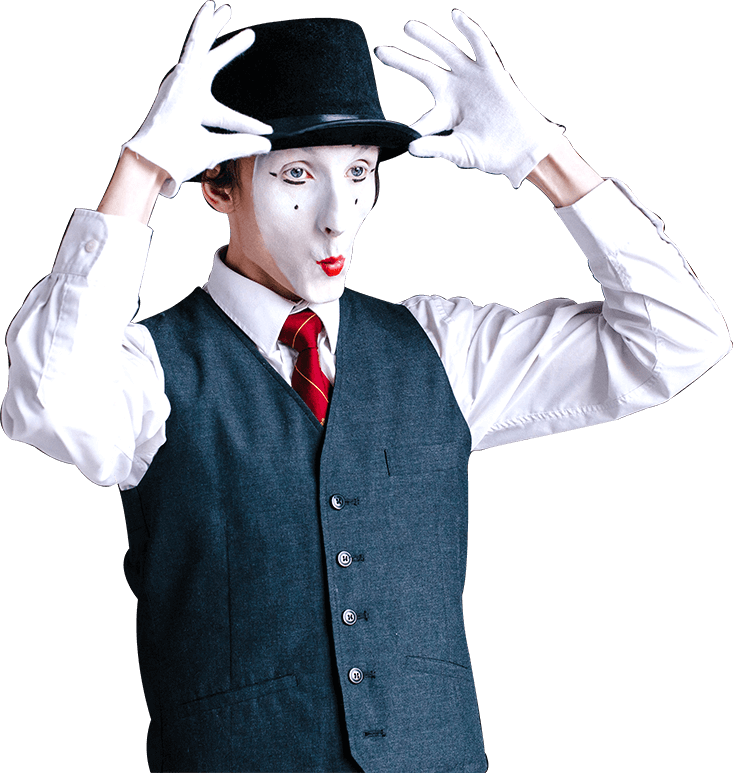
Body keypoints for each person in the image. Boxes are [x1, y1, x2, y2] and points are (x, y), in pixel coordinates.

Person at [2, 3, 730, 772]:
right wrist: (143, 172)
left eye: (357, 173)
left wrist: (546, 158)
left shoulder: (441, 349)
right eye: (296, 176)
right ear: (216, 184)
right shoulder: (149, 368)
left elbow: (679, 338)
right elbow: (46, 398)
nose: (336, 218)